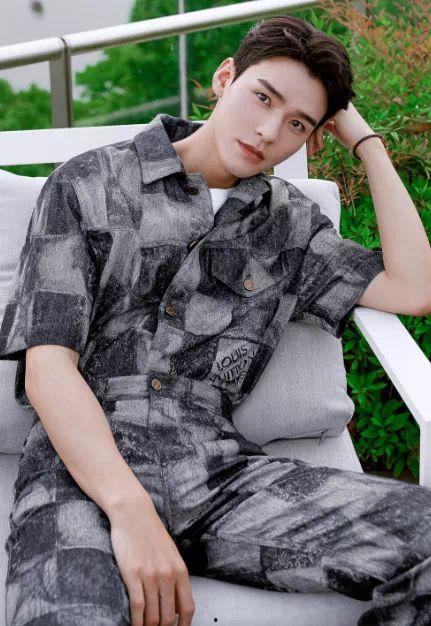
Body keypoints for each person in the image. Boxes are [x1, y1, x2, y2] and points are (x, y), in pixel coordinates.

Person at [1, 12, 431, 626]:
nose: (267, 131)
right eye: (263, 97)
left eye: (297, 123)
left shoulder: (290, 225)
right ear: (225, 77)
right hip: (78, 476)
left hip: (217, 475)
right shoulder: (89, 182)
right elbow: (48, 368)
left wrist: (367, 143)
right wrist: (130, 512)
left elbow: (415, 289)